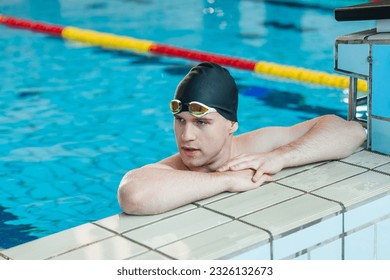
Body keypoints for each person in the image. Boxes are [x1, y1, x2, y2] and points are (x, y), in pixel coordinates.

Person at [118, 62, 366, 215]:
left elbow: (351, 131)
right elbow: (133, 195)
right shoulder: (170, 170)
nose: (186, 136)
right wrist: (227, 180)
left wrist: (280, 157)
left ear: (231, 124)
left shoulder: (260, 146)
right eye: (180, 120)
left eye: (201, 122)